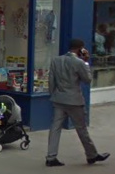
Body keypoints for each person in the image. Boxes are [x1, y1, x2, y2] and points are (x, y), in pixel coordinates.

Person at [46, 39, 110, 167]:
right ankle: (91, 155)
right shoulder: (79, 62)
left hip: (59, 99)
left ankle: (51, 157)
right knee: (81, 128)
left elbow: (51, 80)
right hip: (74, 100)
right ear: (80, 49)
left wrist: (53, 95)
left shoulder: (56, 60)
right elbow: (88, 79)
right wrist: (86, 62)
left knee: (55, 128)